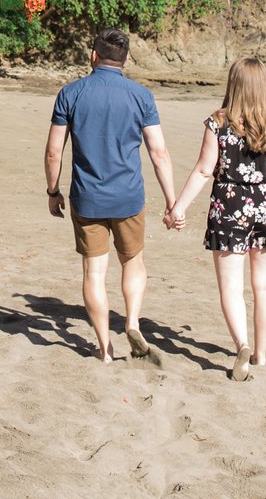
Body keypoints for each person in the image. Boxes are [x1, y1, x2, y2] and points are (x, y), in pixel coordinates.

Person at [164, 56, 266, 381]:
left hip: (229, 207)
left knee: (231, 286)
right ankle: (260, 354)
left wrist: (179, 208)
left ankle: (241, 343)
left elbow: (203, 170)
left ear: (233, 84)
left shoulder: (218, 123)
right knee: (265, 287)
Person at [45, 29, 175, 364]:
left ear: (93, 56)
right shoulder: (140, 96)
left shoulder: (70, 93)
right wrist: (172, 200)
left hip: (87, 198)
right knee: (132, 261)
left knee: (94, 272)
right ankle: (131, 321)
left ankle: (104, 347)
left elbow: (53, 152)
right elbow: (158, 152)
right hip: (128, 197)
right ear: (126, 59)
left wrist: (53, 191)